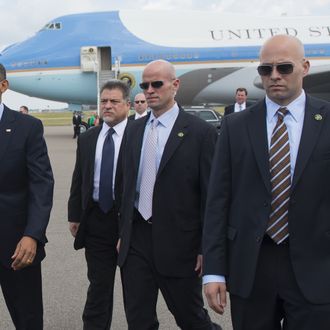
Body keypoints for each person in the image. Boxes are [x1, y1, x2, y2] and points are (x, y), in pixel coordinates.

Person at [202, 34, 330, 330]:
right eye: (265, 69)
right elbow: (217, 202)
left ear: (305, 67)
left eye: (284, 68)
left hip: (317, 269)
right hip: (251, 269)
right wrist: (214, 272)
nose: (274, 76)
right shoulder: (235, 127)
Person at [117, 59, 221, 330]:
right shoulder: (133, 130)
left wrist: (204, 248)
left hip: (181, 245)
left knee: (191, 319)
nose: (149, 90)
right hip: (137, 240)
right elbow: (126, 186)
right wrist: (123, 234)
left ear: (175, 85)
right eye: (144, 85)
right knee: (139, 321)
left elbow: (211, 197)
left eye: (157, 84)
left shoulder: (201, 133)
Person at [68, 80, 130, 329]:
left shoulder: (140, 135)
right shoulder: (88, 138)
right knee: (98, 287)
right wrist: (75, 215)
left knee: (137, 291)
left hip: (130, 221)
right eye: (104, 101)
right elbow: (79, 178)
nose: (108, 106)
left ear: (127, 104)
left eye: (114, 101)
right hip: (96, 221)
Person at [0, 63, 54, 329]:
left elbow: (41, 184)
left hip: (16, 247)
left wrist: (32, 234)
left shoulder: (27, 127)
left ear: (3, 86)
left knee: (28, 319)